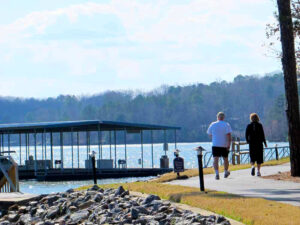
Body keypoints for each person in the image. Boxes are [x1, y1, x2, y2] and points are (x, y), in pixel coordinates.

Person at [207, 112, 232, 180]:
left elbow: (209, 134)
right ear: (223, 117)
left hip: (215, 144)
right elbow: (229, 135)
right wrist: (229, 144)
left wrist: (214, 138)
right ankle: (226, 171)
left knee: (215, 159)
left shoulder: (213, 124)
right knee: (225, 159)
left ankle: (217, 173)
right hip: (224, 144)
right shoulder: (226, 125)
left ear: (217, 117)